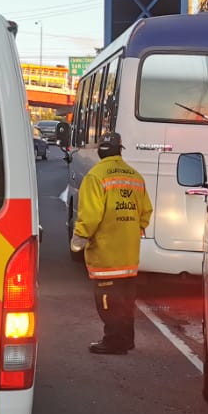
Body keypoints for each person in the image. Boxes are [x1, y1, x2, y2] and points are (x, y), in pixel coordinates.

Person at [70, 131, 152, 355]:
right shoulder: (135, 176)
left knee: (107, 302)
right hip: (129, 254)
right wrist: (133, 229)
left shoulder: (95, 177)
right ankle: (126, 339)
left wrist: (77, 242)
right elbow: (145, 212)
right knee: (125, 301)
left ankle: (113, 342)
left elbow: (90, 217)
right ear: (119, 150)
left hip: (106, 255)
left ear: (100, 151)